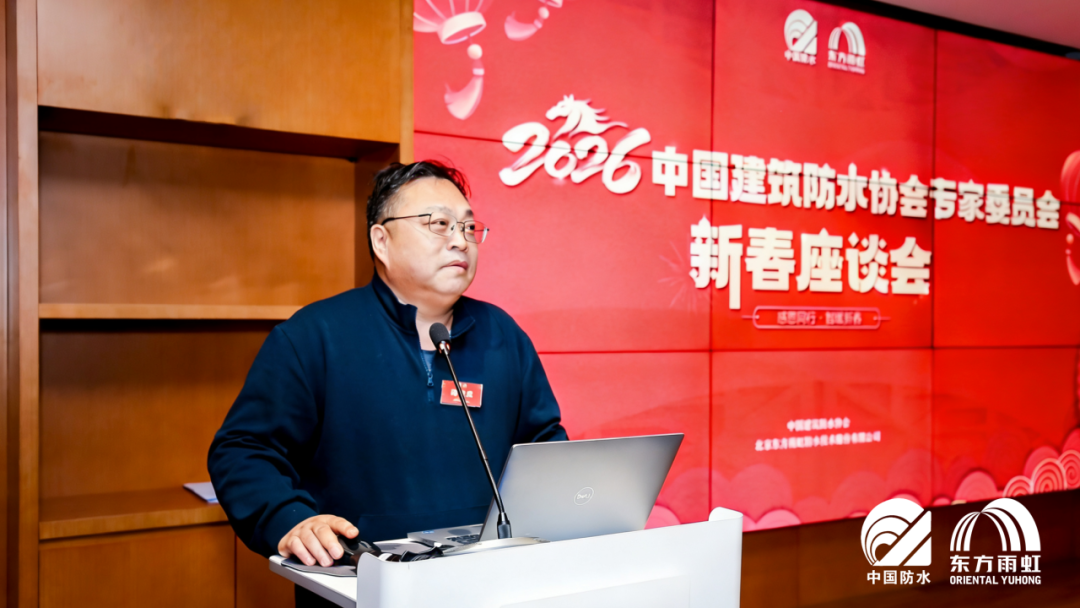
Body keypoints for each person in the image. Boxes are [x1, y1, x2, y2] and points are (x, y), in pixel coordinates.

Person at [208, 160, 567, 606]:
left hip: (490, 585)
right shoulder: (315, 335)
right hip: (361, 585)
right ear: (382, 240)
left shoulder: (503, 336)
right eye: (439, 224)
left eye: (469, 227)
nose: (460, 240)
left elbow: (544, 446)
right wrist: (289, 519)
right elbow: (243, 449)